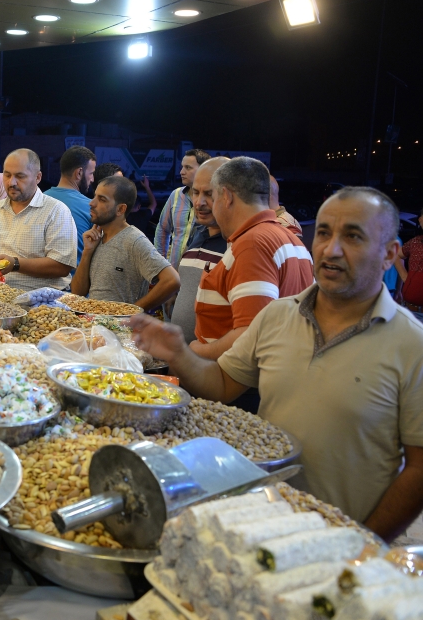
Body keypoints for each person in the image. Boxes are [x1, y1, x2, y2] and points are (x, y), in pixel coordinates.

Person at [131, 188, 423, 540]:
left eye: (353, 236)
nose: (331, 249)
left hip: (347, 537)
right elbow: (221, 385)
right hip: (263, 521)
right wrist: (179, 354)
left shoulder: (412, 345)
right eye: (325, 233)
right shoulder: (277, 315)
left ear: (390, 254)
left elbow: (419, 469)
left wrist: (366, 541)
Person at [193, 157, 314, 361]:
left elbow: (250, 337)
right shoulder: (292, 240)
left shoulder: (252, 244)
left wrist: (194, 353)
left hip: (240, 386)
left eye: (211, 195)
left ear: (226, 196)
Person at [0, 149, 77, 291]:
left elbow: (61, 266)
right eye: (7, 175)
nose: (11, 182)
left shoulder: (56, 211)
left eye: (20, 176)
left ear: (38, 177)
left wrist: (15, 264)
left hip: (40, 301)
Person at [71, 176, 181, 309]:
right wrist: (87, 253)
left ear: (120, 209)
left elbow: (172, 281)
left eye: (102, 199)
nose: (92, 203)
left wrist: (131, 313)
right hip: (94, 327)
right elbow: (77, 293)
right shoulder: (96, 239)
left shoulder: (134, 240)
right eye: (95, 197)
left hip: (120, 329)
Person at [170, 157, 230, 344]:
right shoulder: (199, 234)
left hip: (211, 367)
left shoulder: (237, 246)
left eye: (209, 194)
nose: (199, 202)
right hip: (183, 363)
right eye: (196, 193)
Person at [155, 148, 210, 270]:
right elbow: (163, 230)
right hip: (173, 273)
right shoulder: (176, 195)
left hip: (198, 274)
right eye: (182, 167)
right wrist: (160, 264)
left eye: (188, 168)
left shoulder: (213, 200)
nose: (181, 172)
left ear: (203, 169)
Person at [44, 146, 95, 260]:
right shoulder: (91, 206)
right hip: (77, 276)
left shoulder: (40, 200)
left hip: (43, 275)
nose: (92, 179)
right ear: (79, 173)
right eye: (91, 173)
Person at [93, 163, 158, 238]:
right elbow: (154, 204)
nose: (123, 185)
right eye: (118, 182)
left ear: (123, 208)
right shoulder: (92, 217)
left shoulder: (135, 238)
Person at [395, 206, 423, 316]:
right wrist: (403, 275)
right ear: (420, 220)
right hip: (409, 311)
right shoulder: (415, 242)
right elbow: (397, 255)